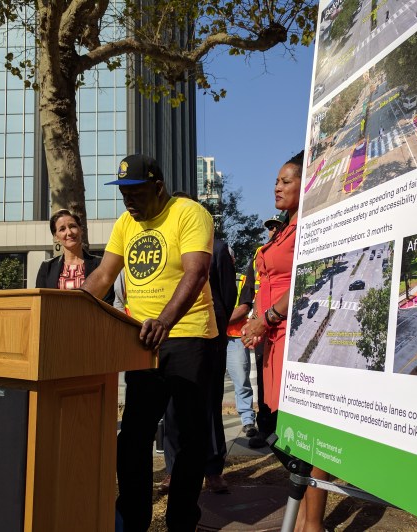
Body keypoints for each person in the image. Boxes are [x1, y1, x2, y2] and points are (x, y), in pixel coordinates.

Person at [82, 154, 217, 531]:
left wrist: (165, 320)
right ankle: (133, 520)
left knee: (187, 438)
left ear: (158, 187)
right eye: (123, 192)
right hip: (142, 342)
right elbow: (104, 275)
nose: (129, 201)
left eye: (136, 192)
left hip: (187, 336)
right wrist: (70, 308)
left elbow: (197, 270)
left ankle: (181, 522)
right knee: (133, 437)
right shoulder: (126, 222)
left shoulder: (189, 213)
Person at [241, 151, 329, 532]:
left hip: (295, 335)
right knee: (276, 428)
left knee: (304, 433)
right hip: (271, 341)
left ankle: (312, 523)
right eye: (276, 181)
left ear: (303, 186)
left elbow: (311, 279)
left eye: (286, 181)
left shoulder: (308, 228)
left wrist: (268, 317)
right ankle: (305, 513)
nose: (277, 186)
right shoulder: (283, 229)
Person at [161, 208, 237, 494]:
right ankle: (173, 469)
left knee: (209, 406)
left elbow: (228, 295)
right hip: (170, 339)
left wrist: (217, 332)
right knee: (172, 409)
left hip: (208, 340)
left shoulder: (216, 248)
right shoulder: (164, 247)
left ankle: (213, 469)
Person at [225, 214, 283, 448]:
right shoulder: (259, 256)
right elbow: (248, 297)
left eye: (277, 227)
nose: (272, 231)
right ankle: (265, 428)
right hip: (263, 331)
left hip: (286, 326)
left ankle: (287, 430)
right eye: (269, 228)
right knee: (263, 380)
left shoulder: (293, 250)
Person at [35, 209, 114, 304]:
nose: (69, 232)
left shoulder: (100, 265)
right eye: (62, 229)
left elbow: (108, 301)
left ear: (81, 230)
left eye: (72, 226)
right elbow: (40, 302)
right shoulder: (47, 267)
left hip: (92, 318)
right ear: (56, 237)